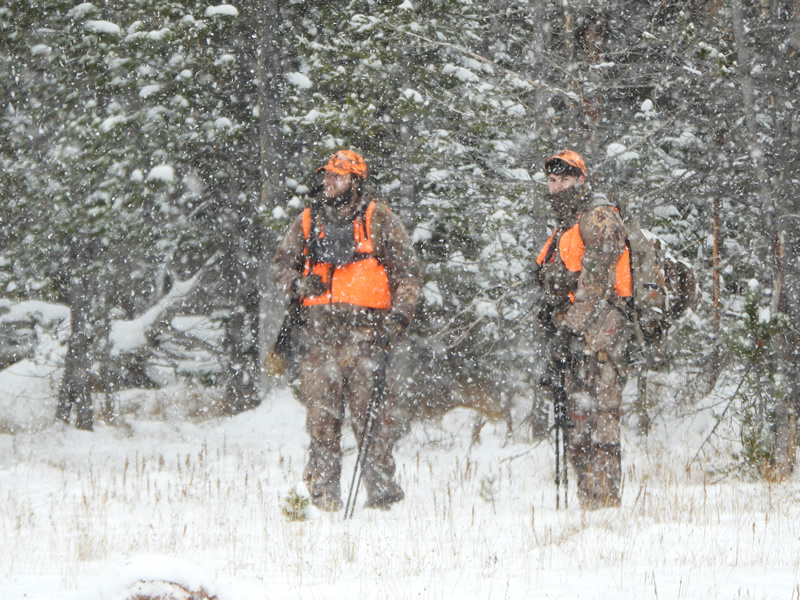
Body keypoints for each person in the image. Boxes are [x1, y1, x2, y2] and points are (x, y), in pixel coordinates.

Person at [272, 149, 422, 512]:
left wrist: (397, 320)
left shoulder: (380, 219)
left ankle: (383, 499)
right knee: (321, 423)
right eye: (327, 175)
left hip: (367, 339)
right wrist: (297, 284)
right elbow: (280, 266)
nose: (329, 181)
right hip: (318, 338)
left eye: (338, 176)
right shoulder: (308, 221)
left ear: (355, 180)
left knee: (373, 421)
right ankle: (324, 500)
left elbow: (409, 276)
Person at [534, 149, 631, 509]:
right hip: (574, 338)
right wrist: (553, 321)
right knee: (576, 426)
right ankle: (589, 504)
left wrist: (569, 330)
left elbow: (597, 286)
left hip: (602, 336)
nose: (556, 186)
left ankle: (606, 504)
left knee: (602, 424)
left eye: (564, 179)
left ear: (580, 180)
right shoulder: (565, 225)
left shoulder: (599, 217)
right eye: (552, 180)